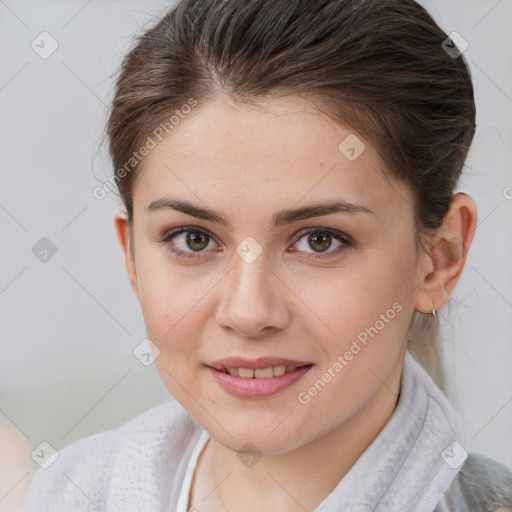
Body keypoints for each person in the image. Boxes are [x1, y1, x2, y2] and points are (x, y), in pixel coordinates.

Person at [22, 0, 512, 510]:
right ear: (132, 258)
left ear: (439, 258)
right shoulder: (68, 493)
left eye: (319, 240)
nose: (248, 312)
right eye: (193, 239)